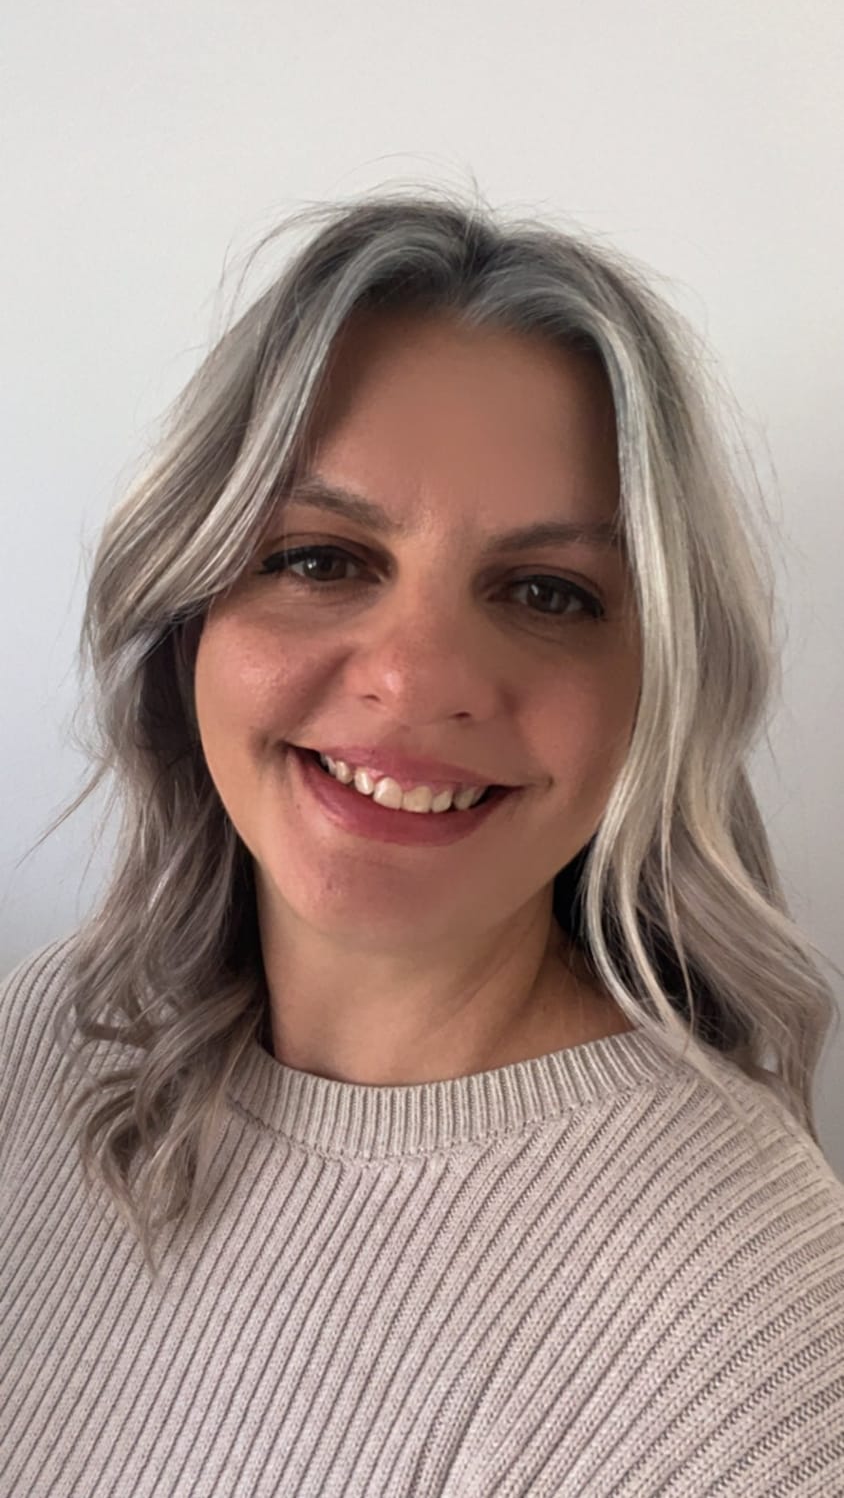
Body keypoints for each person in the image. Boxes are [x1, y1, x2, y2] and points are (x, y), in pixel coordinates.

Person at [1, 187, 842, 1497]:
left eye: (548, 591)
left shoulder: (753, 1353)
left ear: (662, 696)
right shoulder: (54, 1036)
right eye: (322, 559)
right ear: (190, 615)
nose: (415, 679)